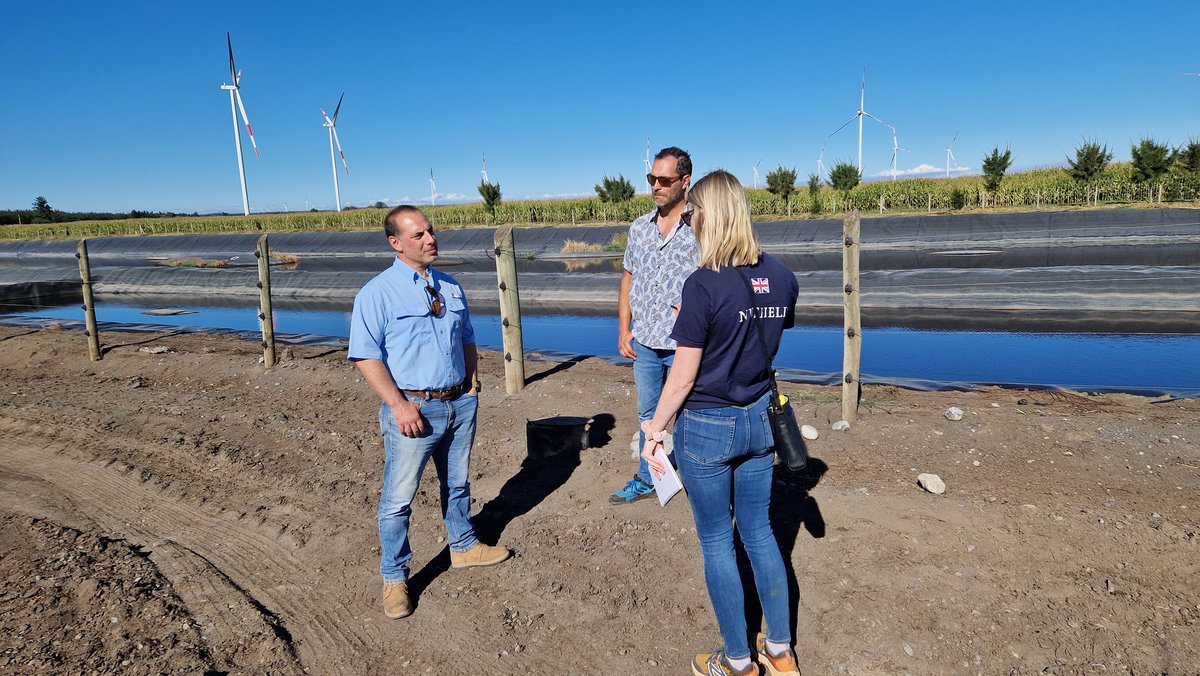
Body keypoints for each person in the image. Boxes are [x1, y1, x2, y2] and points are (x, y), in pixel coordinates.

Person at [640, 170, 802, 676]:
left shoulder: (702, 284)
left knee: (716, 540)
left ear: (709, 215)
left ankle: (737, 661)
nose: (687, 221)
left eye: (691, 214)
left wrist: (655, 428)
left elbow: (684, 375)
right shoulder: (781, 274)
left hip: (708, 423)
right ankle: (779, 652)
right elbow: (764, 330)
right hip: (759, 419)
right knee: (759, 532)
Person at [349, 205, 511, 620]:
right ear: (396, 243)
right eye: (418, 235)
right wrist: (399, 405)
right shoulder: (377, 293)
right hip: (413, 408)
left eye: (431, 231)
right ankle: (394, 577)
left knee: (457, 483)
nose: (430, 239)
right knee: (398, 499)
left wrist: (472, 383)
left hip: (459, 402)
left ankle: (463, 547)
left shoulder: (451, 286)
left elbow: (469, 338)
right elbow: (366, 356)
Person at [610, 146, 699, 504]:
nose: (656, 186)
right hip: (645, 341)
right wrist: (623, 329)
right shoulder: (639, 228)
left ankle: (698, 479)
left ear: (685, 181)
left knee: (692, 415)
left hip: (687, 346)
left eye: (665, 179)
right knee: (648, 416)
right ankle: (649, 478)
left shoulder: (701, 225)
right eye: (652, 179)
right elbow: (628, 280)